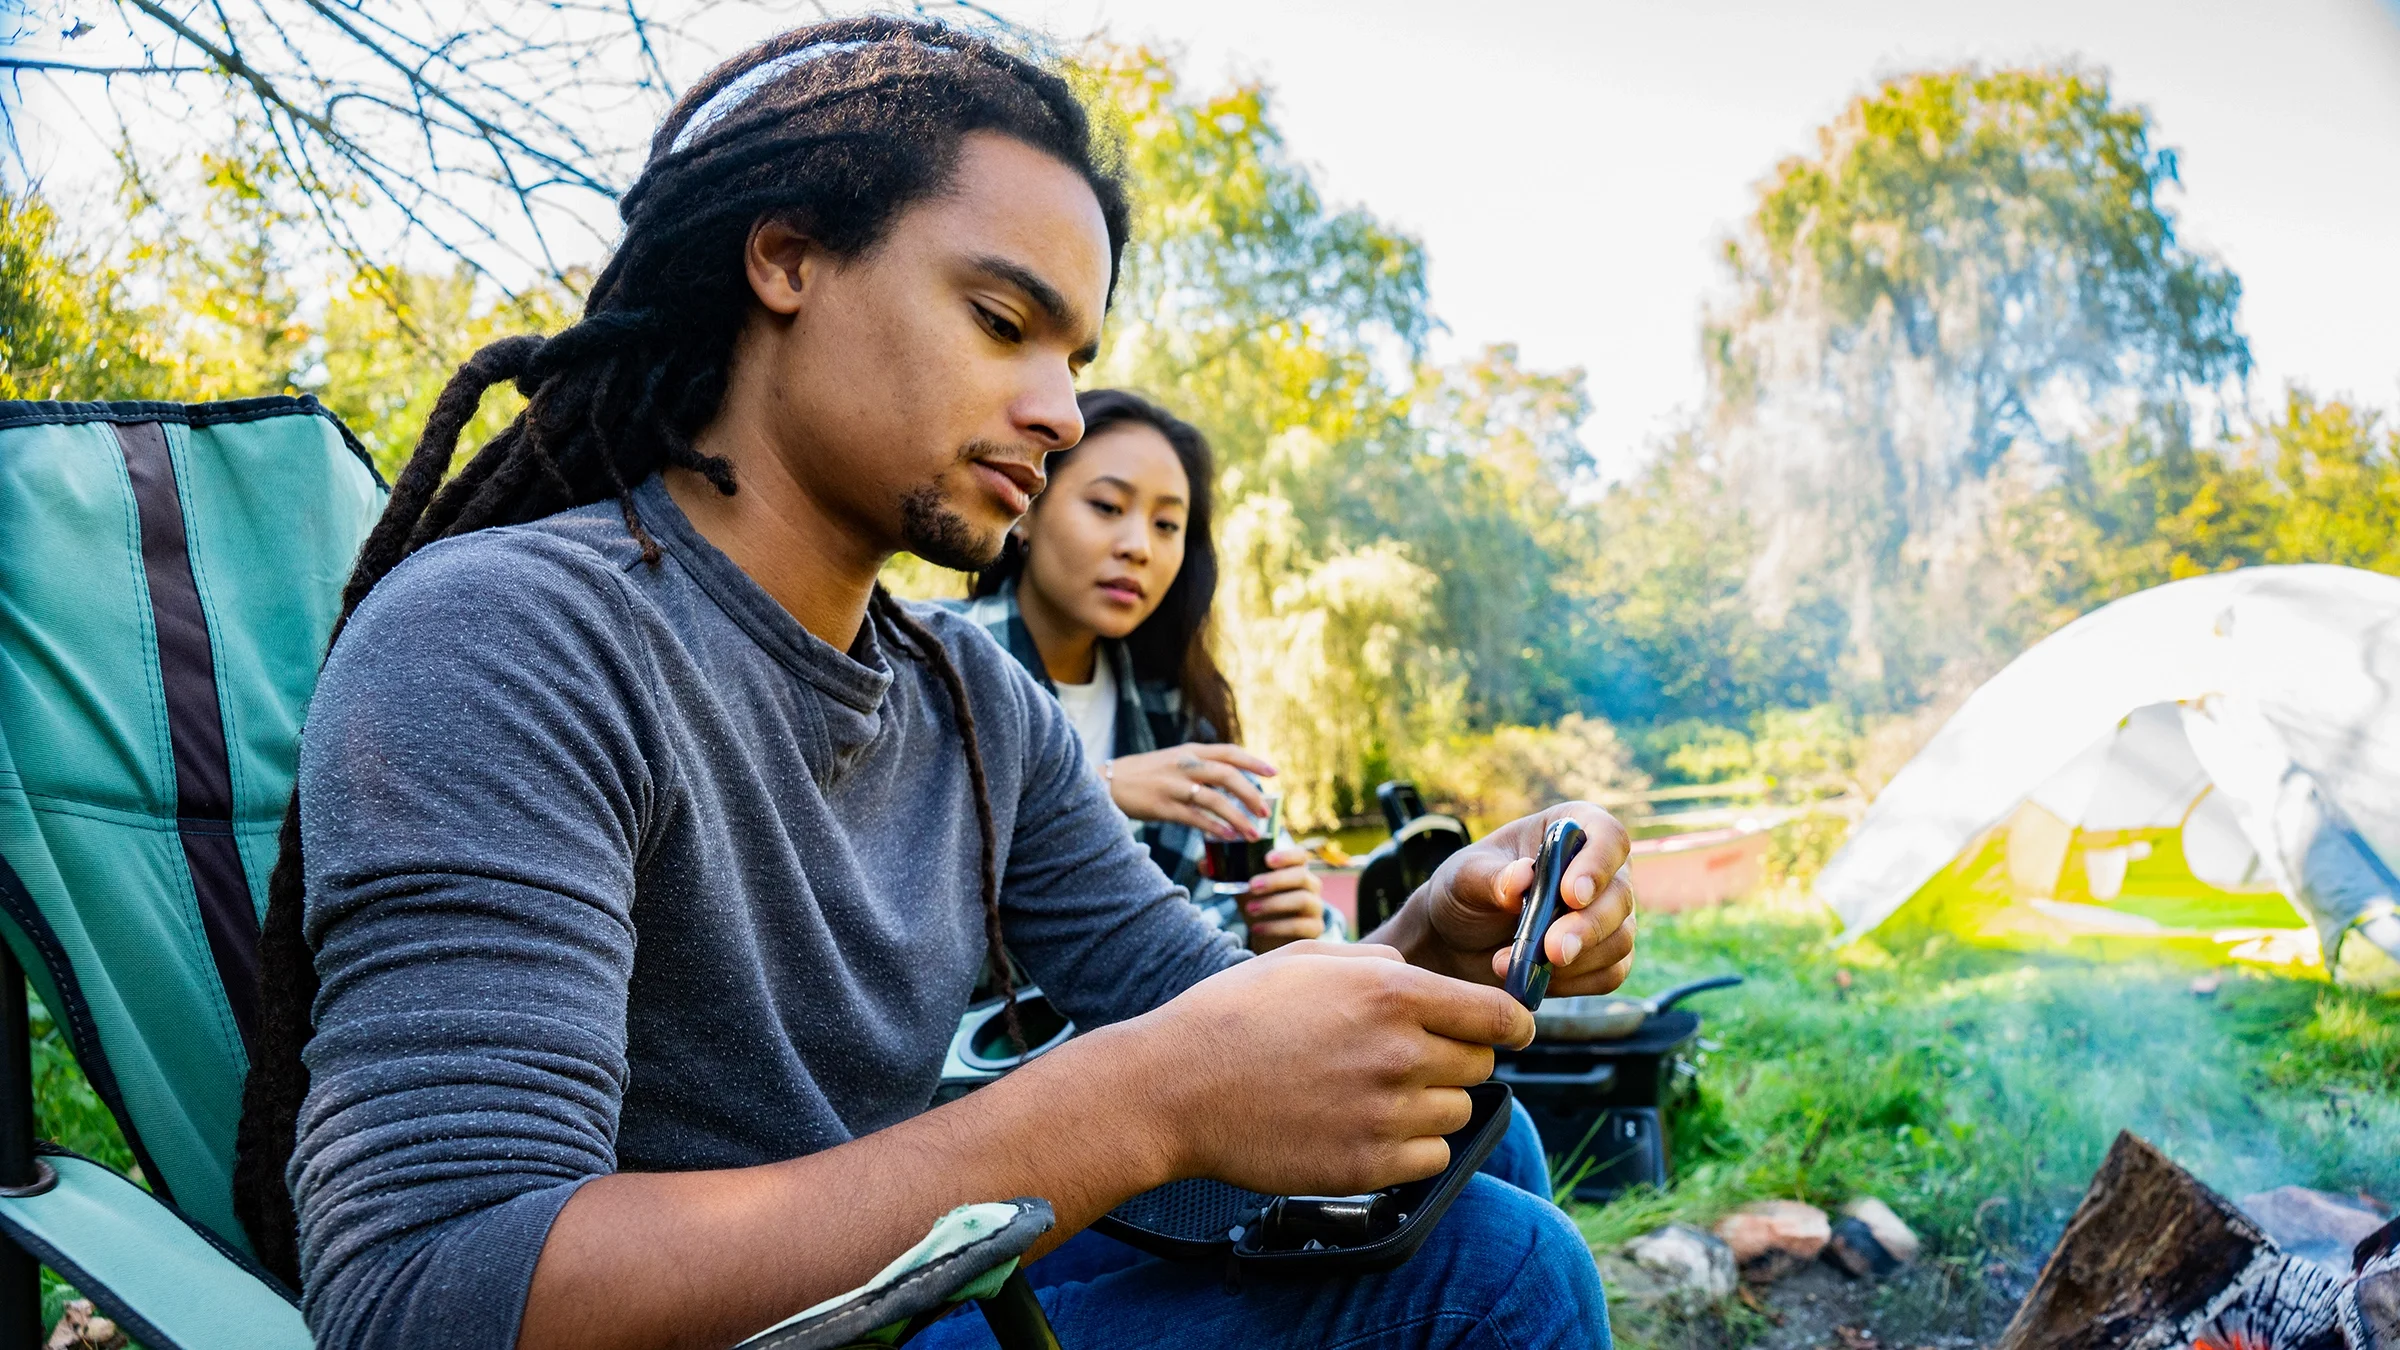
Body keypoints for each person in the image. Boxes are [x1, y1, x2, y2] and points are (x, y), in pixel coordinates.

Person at [230, 19, 1638, 1350]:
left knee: (1475, 1134)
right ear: (787, 260)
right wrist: (1127, 1104)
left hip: (891, 1286)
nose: (1062, 410)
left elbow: (1201, 1016)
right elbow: (426, 1291)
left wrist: (1427, 947)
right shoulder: (511, 639)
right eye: (1000, 319)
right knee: (1502, 1270)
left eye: (1074, 355)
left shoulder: (970, 698)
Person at [956, 389, 1327, 952]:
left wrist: (1281, 929)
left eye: (1166, 525)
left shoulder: (1173, 712)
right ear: (1025, 509)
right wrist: (1097, 789)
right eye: (1107, 507)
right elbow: (884, 868)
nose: (1139, 548)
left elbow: (1200, 936)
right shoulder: (926, 661)